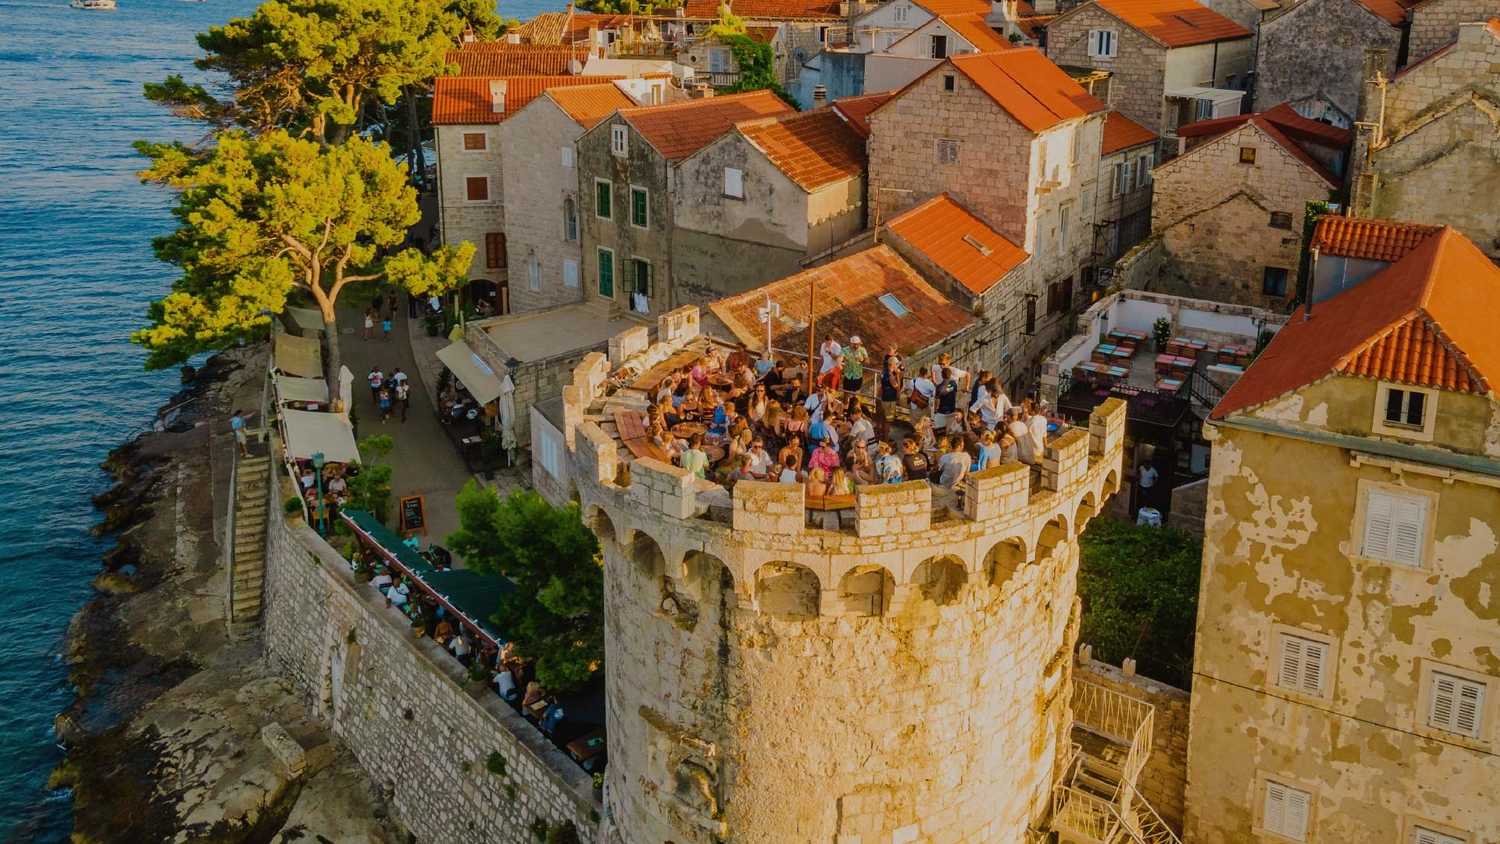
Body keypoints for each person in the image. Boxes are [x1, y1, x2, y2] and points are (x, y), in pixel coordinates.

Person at [876, 345, 903, 440]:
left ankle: (884, 436)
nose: (898, 366)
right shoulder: (891, 376)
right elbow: (897, 387)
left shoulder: (884, 372)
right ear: (893, 365)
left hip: (885, 397)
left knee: (885, 418)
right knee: (888, 420)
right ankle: (886, 439)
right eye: (896, 364)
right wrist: (898, 376)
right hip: (889, 399)